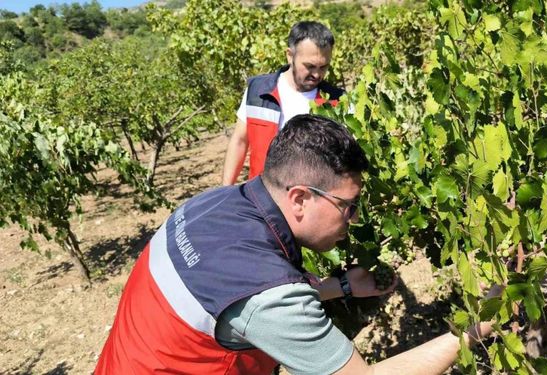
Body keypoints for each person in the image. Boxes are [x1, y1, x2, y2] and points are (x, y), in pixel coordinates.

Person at [95, 114, 498, 374]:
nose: (354, 219)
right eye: (349, 206)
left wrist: (340, 287)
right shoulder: (270, 295)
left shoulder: (212, 205)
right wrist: (477, 327)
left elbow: (235, 302)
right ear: (301, 198)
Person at [221, 21, 344, 186]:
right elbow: (240, 140)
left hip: (310, 203)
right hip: (261, 196)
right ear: (290, 55)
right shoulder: (258, 90)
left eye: (323, 67)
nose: (316, 74)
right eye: (310, 66)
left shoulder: (336, 101)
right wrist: (224, 191)